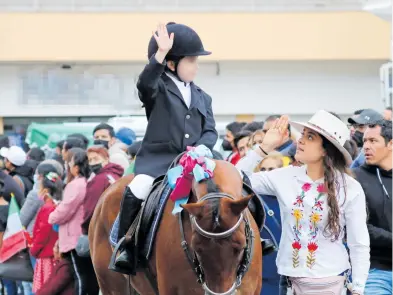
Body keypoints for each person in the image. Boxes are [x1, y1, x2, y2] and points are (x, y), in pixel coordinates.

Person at [112, 22, 218, 274]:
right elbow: (145, 84)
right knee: (138, 188)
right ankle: (126, 245)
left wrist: (201, 149)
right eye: (191, 60)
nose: (196, 66)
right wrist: (159, 55)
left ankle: (251, 238)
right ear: (172, 64)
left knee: (236, 181)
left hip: (198, 161)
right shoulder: (158, 88)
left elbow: (211, 130)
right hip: (160, 162)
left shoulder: (203, 96)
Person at [237, 111, 370, 295]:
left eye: (310, 137)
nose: (300, 140)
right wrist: (264, 148)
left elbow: (359, 243)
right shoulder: (284, 176)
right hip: (290, 284)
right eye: (302, 135)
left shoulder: (349, 188)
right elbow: (235, 178)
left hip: (335, 283)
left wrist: (358, 289)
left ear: (326, 149)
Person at [353, 120, 392, 295]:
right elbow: (359, 226)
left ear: (391, 143)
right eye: (365, 141)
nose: (366, 147)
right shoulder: (355, 179)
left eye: (373, 141)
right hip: (374, 270)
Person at [48, 148, 91, 295]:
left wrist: (52, 217)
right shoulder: (88, 182)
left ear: (77, 167)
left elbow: (66, 209)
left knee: (80, 277)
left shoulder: (76, 184)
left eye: (70, 163)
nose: (69, 166)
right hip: (81, 237)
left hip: (74, 239)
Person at [20, 160, 64, 269]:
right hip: (53, 246)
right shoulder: (60, 196)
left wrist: (33, 249)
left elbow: (24, 220)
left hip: (39, 247)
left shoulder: (45, 204)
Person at [30, 171, 62, 294]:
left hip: (46, 256)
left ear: (46, 190)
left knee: (44, 289)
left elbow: (42, 234)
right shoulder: (57, 206)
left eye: (40, 187)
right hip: (54, 255)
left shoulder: (47, 208)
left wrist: (34, 249)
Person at [81, 145, 124, 234]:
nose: (92, 163)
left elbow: (91, 208)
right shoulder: (114, 175)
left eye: (96, 159)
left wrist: (85, 227)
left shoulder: (99, 179)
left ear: (106, 159)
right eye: (90, 160)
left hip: (101, 229)